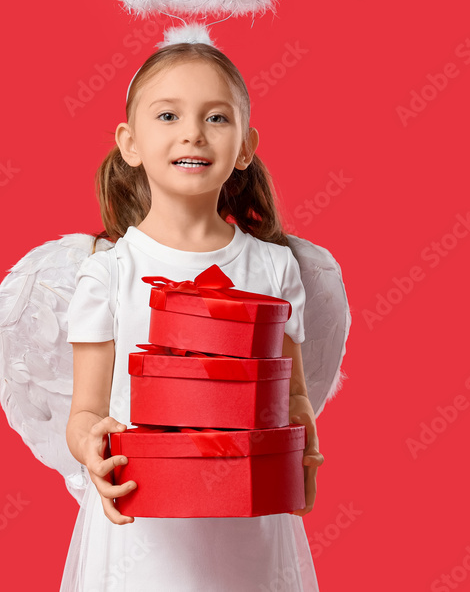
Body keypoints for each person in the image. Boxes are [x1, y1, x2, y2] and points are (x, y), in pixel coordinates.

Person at [60, 41, 324, 591]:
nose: (193, 133)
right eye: (168, 114)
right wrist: (91, 446)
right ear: (129, 143)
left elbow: (291, 393)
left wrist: (302, 441)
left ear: (246, 147)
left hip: (248, 524)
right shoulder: (108, 274)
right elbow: (85, 411)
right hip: (142, 527)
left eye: (217, 117)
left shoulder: (275, 268)